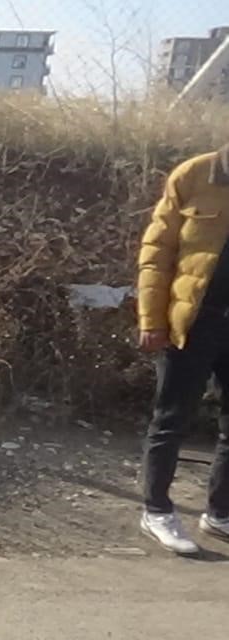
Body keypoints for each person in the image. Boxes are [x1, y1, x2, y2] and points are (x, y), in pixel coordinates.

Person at [135, 143, 229, 555]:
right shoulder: (193, 176)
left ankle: (220, 513)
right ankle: (156, 510)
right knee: (171, 418)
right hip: (194, 320)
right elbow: (157, 254)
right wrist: (151, 320)